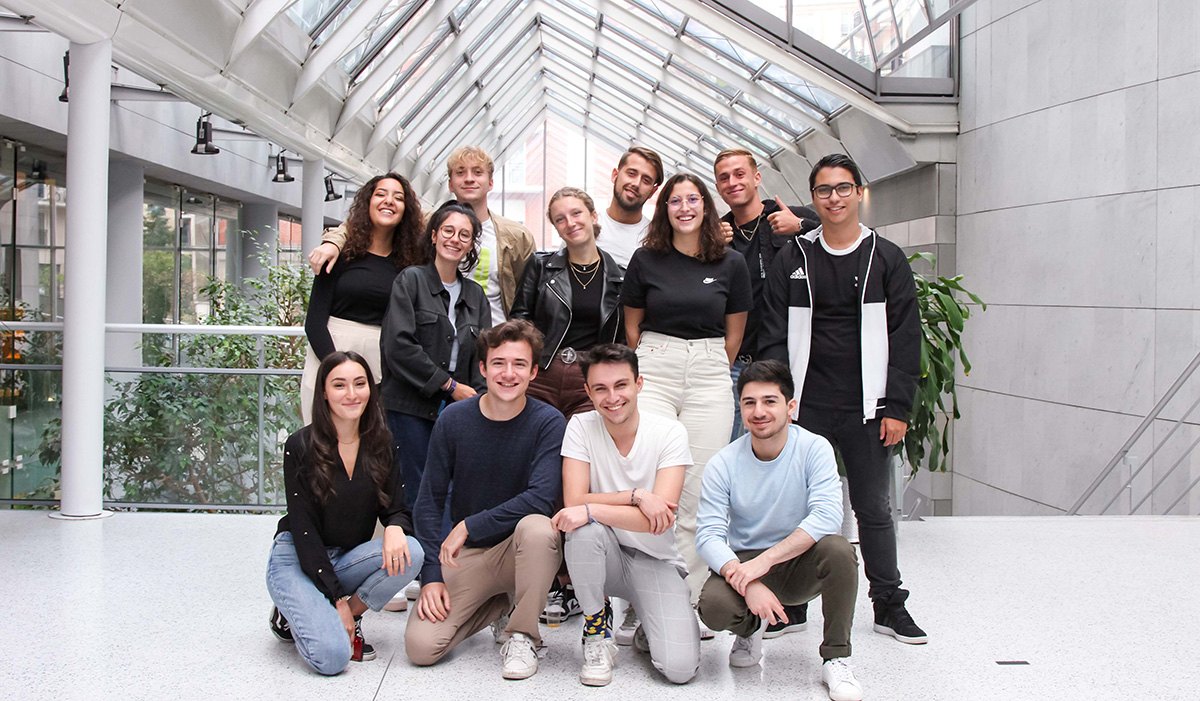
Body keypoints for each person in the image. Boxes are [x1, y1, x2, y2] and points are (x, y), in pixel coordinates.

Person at [761, 153, 925, 645]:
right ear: (813, 198)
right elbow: (772, 333)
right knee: (797, 507)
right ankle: (793, 605)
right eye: (824, 190)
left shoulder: (885, 257)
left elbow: (905, 337)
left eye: (843, 188)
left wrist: (897, 407)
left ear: (858, 192)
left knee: (874, 509)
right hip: (805, 407)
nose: (834, 198)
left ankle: (888, 605)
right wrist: (778, 402)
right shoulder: (794, 257)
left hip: (867, 408)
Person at [620, 172, 753, 634]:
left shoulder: (731, 263)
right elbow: (632, 326)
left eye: (692, 199)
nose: (684, 208)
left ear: (705, 207)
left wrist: (707, 365)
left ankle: (689, 598)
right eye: (674, 201)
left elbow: (734, 334)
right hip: (655, 367)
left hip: (710, 373)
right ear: (664, 209)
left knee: (698, 490)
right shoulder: (646, 259)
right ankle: (641, 597)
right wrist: (655, 360)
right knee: (653, 484)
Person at [405, 319, 566, 680]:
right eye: (498, 363)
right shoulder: (454, 419)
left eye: (519, 364)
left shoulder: (549, 422)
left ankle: (522, 635)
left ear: (533, 372)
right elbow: (428, 501)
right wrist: (431, 575)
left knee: (539, 529)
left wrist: (468, 525)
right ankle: (499, 604)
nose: (508, 374)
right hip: (470, 557)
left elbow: (541, 499)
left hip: (522, 551)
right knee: (421, 647)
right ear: (483, 368)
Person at [696, 360, 862, 701]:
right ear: (741, 408)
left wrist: (764, 563)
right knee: (713, 607)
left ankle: (836, 658)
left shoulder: (815, 448)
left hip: (800, 561)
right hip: (746, 563)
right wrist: (748, 580)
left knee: (839, 550)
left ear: (790, 406)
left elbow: (828, 516)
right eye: (749, 402)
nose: (759, 411)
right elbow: (708, 535)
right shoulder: (722, 463)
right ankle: (751, 628)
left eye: (769, 401)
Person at [713, 147, 819, 633]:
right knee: (742, 480)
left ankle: (791, 598)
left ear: (757, 177)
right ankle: (743, 585)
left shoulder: (790, 219)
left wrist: (803, 225)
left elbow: (838, 236)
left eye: (740, 174)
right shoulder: (717, 232)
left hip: (777, 365)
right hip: (731, 366)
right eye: (724, 177)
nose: (733, 182)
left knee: (782, 480)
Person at [266, 351, 424, 675]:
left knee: (413, 552)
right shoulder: (300, 445)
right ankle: (293, 611)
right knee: (332, 658)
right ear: (324, 392)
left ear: (370, 389)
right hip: (298, 557)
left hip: (344, 558)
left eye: (359, 383)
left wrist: (396, 527)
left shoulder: (382, 443)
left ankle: (348, 615)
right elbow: (304, 530)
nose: (351, 394)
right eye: (339, 385)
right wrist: (336, 599)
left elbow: (397, 508)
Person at [551, 343, 699, 686]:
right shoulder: (580, 426)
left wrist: (593, 508)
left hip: (655, 559)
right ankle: (596, 633)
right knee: (584, 529)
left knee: (680, 670)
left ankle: (649, 622)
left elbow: (657, 522)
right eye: (600, 388)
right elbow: (574, 502)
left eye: (621, 385)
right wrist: (637, 496)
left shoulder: (669, 432)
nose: (612, 397)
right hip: (601, 555)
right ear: (588, 392)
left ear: (639, 384)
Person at [510, 187, 624, 628]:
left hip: (588, 382)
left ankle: (575, 580)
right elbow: (521, 319)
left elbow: (622, 336)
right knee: (537, 467)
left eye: (576, 213)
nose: (569, 222)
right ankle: (541, 574)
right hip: (543, 374)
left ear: (593, 216)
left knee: (580, 472)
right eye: (559, 218)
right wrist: (525, 369)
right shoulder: (542, 266)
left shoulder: (619, 275)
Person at [311, 146, 535, 327]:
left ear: (490, 182)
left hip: (493, 342)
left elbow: (528, 299)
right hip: (436, 339)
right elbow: (367, 221)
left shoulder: (516, 237)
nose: (469, 179)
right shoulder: (426, 224)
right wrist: (333, 242)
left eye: (477, 172)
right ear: (450, 184)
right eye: (460, 172)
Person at [379, 201, 489, 513]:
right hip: (409, 407)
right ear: (434, 235)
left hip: (458, 410)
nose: (455, 239)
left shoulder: (476, 295)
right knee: (416, 490)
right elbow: (398, 346)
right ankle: (419, 545)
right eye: (448, 231)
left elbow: (484, 355)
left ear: (471, 245)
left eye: (464, 235)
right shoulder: (411, 280)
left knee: (454, 489)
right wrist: (450, 386)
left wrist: (480, 400)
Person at [300, 173, 424, 424]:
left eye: (398, 198)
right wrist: (337, 369)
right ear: (368, 202)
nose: (389, 201)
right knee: (325, 440)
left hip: (383, 365)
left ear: (406, 210)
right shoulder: (339, 253)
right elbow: (314, 323)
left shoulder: (412, 264)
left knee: (374, 441)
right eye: (381, 194)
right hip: (330, 354)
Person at [596, 147, 663, 268]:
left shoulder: (657, 240)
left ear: (653, 192)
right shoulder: (585, 229)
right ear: (615, 175)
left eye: (646, 180)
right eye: (631, 174)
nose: (636, 184)